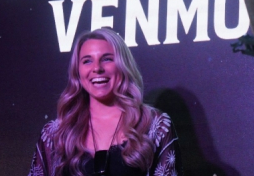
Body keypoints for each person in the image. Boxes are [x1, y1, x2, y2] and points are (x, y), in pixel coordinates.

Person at [28, 28, 183, 176]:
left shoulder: (154, 126)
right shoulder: (55, 135)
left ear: (123, 65)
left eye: (107, 59)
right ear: (77, 71)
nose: (97, 68)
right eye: (87, 61)